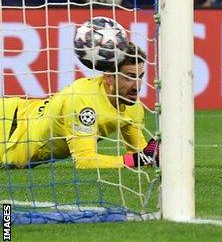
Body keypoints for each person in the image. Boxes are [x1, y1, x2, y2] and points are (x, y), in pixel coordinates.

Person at [0, 43, 158, 169]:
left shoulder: (132, 105)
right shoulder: (84, 101)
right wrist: (138, 159)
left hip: (21, 117)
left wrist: (156, 154)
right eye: (130, 77)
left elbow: (140, 155)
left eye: (140, 76)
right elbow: (85, 161)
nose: (137, 86)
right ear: (109, 78)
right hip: (8, 130)